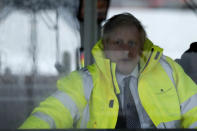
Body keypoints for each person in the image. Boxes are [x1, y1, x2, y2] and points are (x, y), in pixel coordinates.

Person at [19, 13, 197, 129]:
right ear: (105, 47)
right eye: (117, 43)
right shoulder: (84, 81)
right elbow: (51, 114)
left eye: (132, 43)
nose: (125, 50)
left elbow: (194, 110)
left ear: (142, 47)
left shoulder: (168, 70)